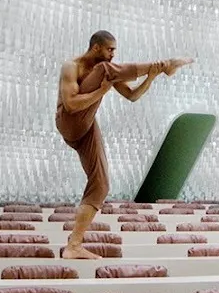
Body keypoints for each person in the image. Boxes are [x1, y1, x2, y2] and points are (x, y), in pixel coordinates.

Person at [56, 30, 193, 259]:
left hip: (87, 126)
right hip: (69, 122)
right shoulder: (72, 66)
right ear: (96, 47)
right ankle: (165, 64)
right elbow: (70, 104)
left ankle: (74, 246)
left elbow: (132, 96)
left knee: (101, 185)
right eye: (110, 49)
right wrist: (101, 91)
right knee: (105, 70)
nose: (113, 54)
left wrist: (151, 77)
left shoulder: (107, 72)